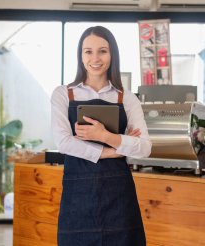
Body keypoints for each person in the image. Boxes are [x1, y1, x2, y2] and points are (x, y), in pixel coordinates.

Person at [51, 26, 152, 246]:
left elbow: (144, 148)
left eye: (102, 51)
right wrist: (115, 150)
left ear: (112, 54)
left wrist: (104, 135)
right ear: (80, 56)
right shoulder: (63, 94)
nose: (95, 58)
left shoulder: (126, 99)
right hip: (78, 197)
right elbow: (63, 142)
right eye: (88, 51)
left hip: (119, 196)